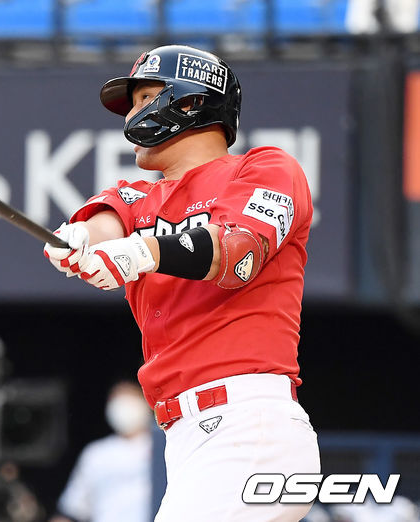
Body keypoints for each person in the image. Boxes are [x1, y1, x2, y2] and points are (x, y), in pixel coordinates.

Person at [44, 44, 320, 521]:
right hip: (186, 435)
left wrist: (140, 252)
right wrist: (79, 241)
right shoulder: (137, 195)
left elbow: (237, 252)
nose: (131, 115)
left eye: (143, 98)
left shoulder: (265, 168)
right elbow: (106, 223)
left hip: (247, 424)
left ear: (190, 102)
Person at [50, 381, 153, 522]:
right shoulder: (95, 454)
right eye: (117, 400)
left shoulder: (163, 446)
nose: (124, 407)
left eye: (130, 397)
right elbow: (73, 508)